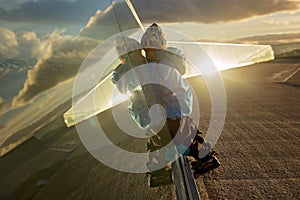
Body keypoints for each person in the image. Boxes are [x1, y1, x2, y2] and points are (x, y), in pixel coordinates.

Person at [140, 23, 220, 175]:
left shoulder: (161, 66)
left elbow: (159, 87)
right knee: (183, 135)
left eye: (149, 51)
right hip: (176, 106)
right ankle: (204, 155)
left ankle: (207, 159)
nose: (146, 55)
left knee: (179, 142)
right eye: (145, 51)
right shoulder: (160, 63)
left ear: (157, 49)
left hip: (174, 108)